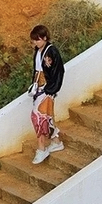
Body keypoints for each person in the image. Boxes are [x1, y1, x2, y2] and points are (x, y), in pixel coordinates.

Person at [28, 24, 65, 164]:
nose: (35, 43)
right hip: (39, 87)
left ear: (44, 38)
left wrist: (51, 90)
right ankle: (56, 141)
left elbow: (59, 71)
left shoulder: (52, 51)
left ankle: (42, 149)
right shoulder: (38, 51)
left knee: (38, 117)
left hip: (47, 89)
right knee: (46, 117)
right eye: (34, 41)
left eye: (37, 40)